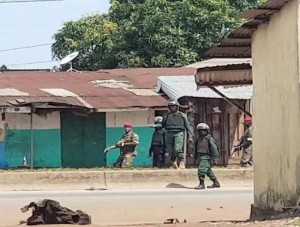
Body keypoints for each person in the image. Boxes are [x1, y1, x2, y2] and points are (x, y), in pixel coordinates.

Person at [161, 100, 193, 169]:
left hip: (179, 133)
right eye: (171, 106)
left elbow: (188, 126)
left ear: (177, 107)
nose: (172, 108)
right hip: (169, 133)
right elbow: (162, 125)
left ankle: (181, 161)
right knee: (170, 150)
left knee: (178, 149)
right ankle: (173, 162)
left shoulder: (182, 115)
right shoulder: (166, 116)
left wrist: (190, 136)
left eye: (174, 106)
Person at [194, 123, 221, 190]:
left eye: (203, 130)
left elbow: (214, 149)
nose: (202, 132)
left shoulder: (209, 139)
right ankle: (216, 182)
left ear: (207, 131)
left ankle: (201, 184)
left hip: (206, 157)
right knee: (208, 171)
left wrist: (216, 159)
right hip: (200, 156)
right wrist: (195, 157)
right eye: (200, 130)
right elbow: (196, 149)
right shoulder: (199, 139)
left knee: (201, 170)